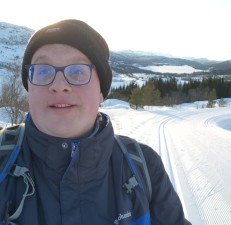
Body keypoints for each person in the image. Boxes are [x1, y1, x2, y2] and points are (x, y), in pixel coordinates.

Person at [0, 19, 191, 225]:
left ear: (101, 92)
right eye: (43, 71)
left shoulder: (144, 166)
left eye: (77, 71)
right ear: (29, 88)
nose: (59, 85)